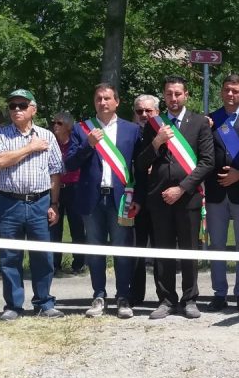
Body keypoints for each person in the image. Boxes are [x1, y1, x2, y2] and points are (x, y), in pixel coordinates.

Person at [134, 75, 215, 320]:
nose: (173, 98)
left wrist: (182, 188)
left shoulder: (200, 122)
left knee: (189, 251)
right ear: (164, 95)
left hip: (187, 196)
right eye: (169, 94)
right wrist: (157, 142)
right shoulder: (153, 124)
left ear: (186, 95)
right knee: (163, 250)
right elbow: (141, 162)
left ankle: (190, 299)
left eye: (177, 93)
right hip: (159, 198)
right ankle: (167, 299)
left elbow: (207, 162)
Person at [68, 83, 141, 319]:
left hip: (121, 199)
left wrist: (137, 196)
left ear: (117, 102)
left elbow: (139, 166)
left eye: (107, 98)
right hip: (92, 199)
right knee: (95, 250)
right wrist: (87, 145)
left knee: (122, 250)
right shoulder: (82, 130)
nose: (103, 102)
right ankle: (98, 296)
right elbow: (69, 163)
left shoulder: (131, 130)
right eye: (98, 98)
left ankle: (123, 297)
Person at [0, 89, 64, 320]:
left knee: (43, 256)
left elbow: (56, 172)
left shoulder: (48, 136)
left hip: (40, 202)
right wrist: (31, 148)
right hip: (9, 203)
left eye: (22, 105)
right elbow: (1, 161)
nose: (17, 110)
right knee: (10, 256)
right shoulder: (0, 135)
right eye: (13, 106)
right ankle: (13, 305)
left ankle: (44, 302)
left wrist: (54, 203)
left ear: (34, 109)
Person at [205, 73, 239, 313]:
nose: (230, 94)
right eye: (226, 90)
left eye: (235, 91)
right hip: (216, 191)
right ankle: (219, 293)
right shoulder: (211, 119)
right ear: (221, 92)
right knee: (216, 245)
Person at [128, 94, 159, 308]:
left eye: (149, 111)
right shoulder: (129, 134)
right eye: (140, 111)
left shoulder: (167, 132)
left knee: (161, 250)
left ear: (157, 112)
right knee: (136, 250)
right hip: (135, 199)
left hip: (161, 199)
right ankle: (135, 295)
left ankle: (165, 296)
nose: (144, 115)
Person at [47, 112, 87, 273]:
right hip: (54, 188)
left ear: (69, 126)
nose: (55, 125)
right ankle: (54, 264)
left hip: (75, 188)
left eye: (59, 123)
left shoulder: (75, 143)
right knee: (53, 227)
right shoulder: (50, 143)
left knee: (77, 227)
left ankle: (79, 264)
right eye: (53, 122)